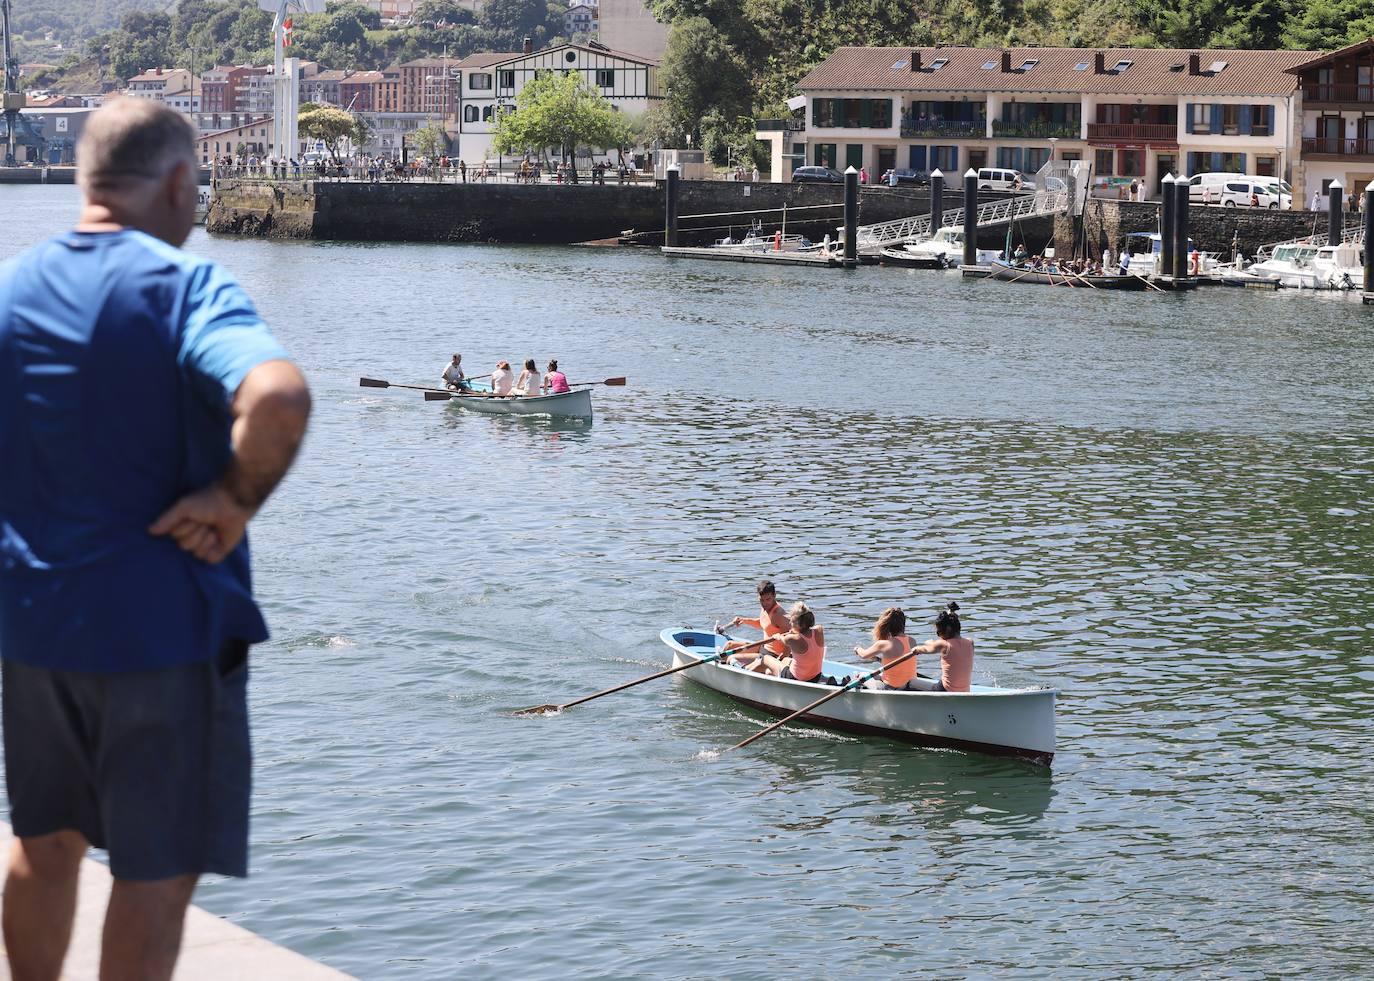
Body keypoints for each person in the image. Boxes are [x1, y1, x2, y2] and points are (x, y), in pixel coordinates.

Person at [0, 99, 310, 981]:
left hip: (32, 628)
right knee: (154, 872)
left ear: (81, 177)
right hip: (162, 632)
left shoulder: (12, 286)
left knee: (42, 842)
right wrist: (233, 498)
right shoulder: (187, 287)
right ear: (180, 183)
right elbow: (278, 398)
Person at [722, 579, 791, 668]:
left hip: (772, 656)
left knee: (732, 657)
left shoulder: (779, 615)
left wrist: (780, 660)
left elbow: (790, 640)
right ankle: (720, 666)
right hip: (762, 648)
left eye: (768, 599)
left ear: (774, 595)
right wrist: (744, 620)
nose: (765, 603)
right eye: (761, 600)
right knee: (729, 645)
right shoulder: (765, 608)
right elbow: (764, 624)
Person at [912, 602, 973, 692]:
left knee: (911, 683)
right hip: (965, 690)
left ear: (947, 629)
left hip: (946, 689)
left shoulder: (944, 645)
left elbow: (925, 649)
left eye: (938, 631)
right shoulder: (970, 642)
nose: (938, 634)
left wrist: (915, 649)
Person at [760, 602, 826, 683]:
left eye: (791, 621)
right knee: (785, 660)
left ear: (798, 624)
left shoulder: (791, 639)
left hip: (795, 678)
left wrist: (777, 636)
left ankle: (746, 671)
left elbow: (782, 639)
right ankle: (770, 673)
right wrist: (797, 631)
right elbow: (807, 632)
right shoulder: (819, 630)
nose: (790, 623)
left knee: (766, 658)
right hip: (816, 677)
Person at [853, 607, 915, 690]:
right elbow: (898, 662)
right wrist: (878, 659)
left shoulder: (884, 644)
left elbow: (864, 655)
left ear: (886, 625)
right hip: (908, 686)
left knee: (861, 675)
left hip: (888, 688)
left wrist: (857, 649)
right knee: (875, 675)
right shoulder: (911, 641)